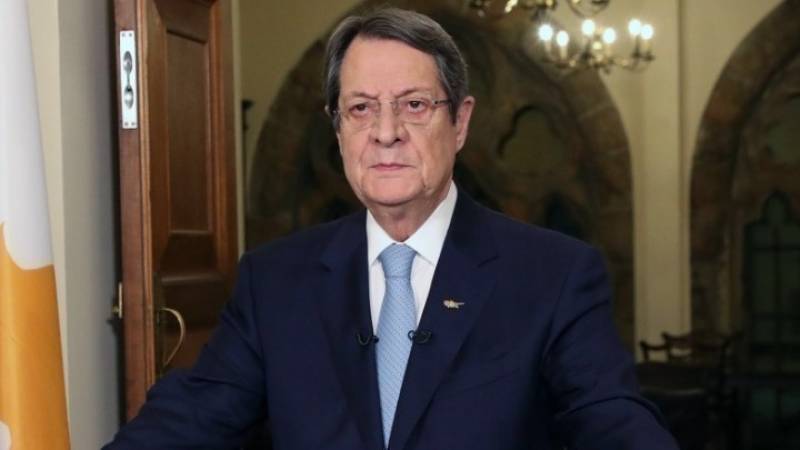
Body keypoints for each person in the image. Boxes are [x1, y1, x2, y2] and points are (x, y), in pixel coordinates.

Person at [106, 7, 678, 450]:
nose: (385, 132)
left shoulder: (553, 275)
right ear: (337, 128)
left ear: (460, 122)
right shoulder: (274, 282)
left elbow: (612, 422)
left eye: (414, 105)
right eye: (360, 108)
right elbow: (191, 420)